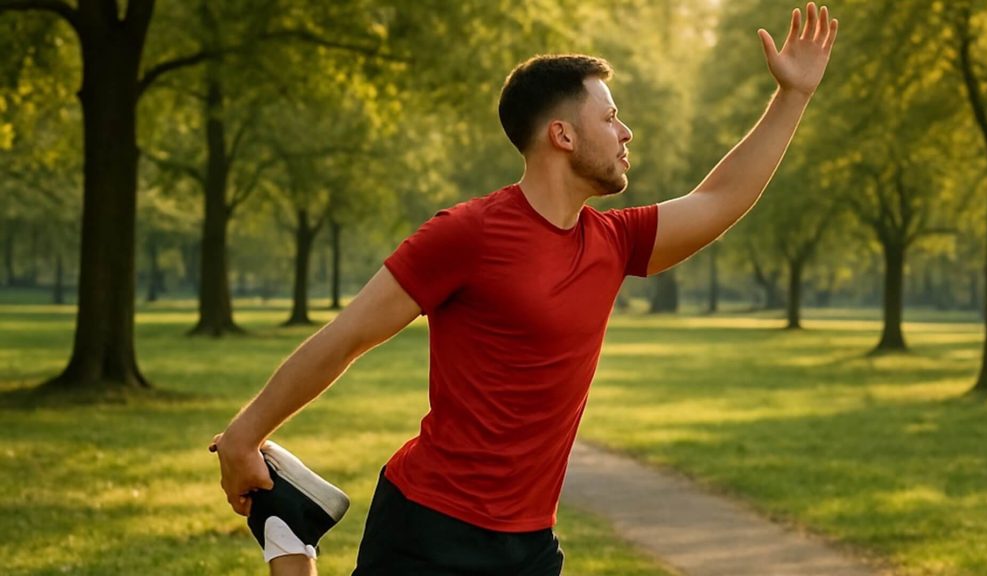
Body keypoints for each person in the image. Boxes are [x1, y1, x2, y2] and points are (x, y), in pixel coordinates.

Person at [211, 3, 839, 575]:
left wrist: (792, 96)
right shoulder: (467, 233)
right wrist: (245, 435)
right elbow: (349, 336)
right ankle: (289, 537)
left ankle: (290, 532)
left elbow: (721, 198)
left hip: (530, 543)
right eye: (611, 117)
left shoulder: (613, 242)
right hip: (431, 523)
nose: (626, 134)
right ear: (562, 136)